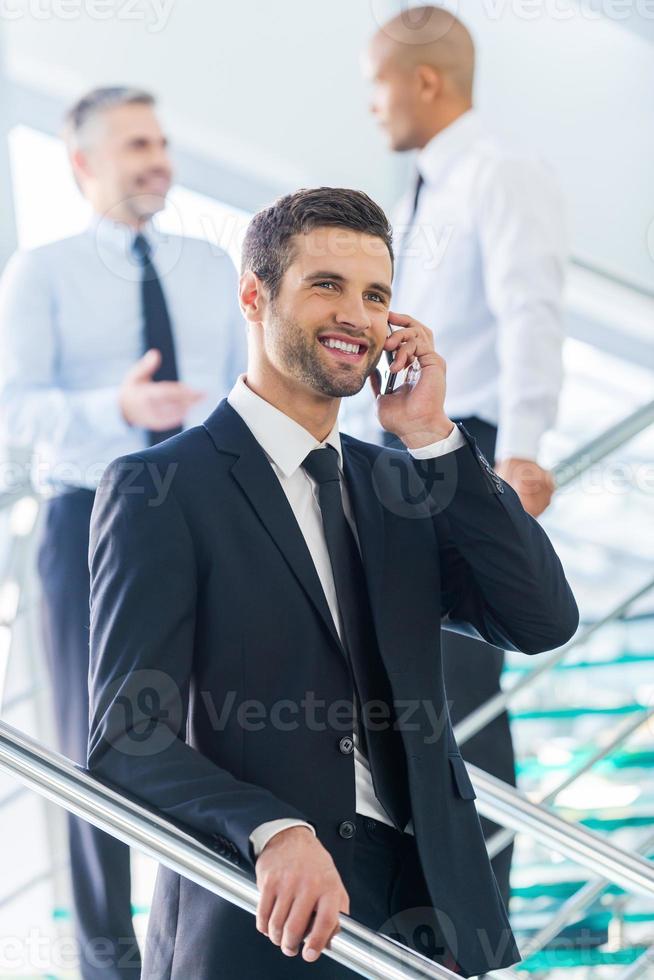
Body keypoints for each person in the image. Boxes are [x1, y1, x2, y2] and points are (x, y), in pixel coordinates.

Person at [86, 186, 578, 979]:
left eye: (376, 295)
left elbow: (542, 619)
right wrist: (271, 828)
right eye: (327, 286)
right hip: (264, 917)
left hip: (431, 924)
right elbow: (123, 739)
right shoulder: (162, 491)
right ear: (254, 295)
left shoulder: (405, 486)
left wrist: (433, 437)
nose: (358, 314)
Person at [0, 86, 246, 979]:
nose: (157, 158)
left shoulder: (213, 267)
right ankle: (110, 969)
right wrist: (119, 407)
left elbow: (235, 394)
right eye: (135, 144)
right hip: (86, 519)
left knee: (218, 733)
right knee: (87, 747)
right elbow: (13, 411)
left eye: (162, 140)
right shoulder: (41, 271)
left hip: (203, 517)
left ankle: (208, 951)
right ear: (83, 164)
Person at [345, 4, 569, 903]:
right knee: (409, 685)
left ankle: (478, 915)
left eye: (378, 85)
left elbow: (532, 311)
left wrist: (521, 453)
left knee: (462, 690)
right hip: (397, 453)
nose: (372, 106)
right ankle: (418, 905)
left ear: (425, 81)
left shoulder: (500, 172)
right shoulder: (420, 188)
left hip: (461, 447)